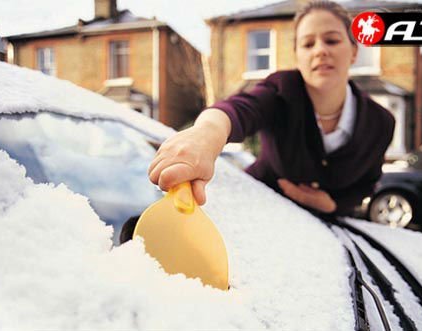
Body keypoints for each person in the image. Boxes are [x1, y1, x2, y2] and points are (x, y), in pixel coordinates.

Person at [147, 0, 395, 218]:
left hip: (334, 238)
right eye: (308, 44)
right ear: (297, 55)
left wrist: (331, 205)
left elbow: (367, 183)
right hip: (260, 212)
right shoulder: (282, 89)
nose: (320, 50)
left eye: (331, 40)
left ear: (353, 51)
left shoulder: (381, 122)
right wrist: (205, 135)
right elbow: (241, 109)